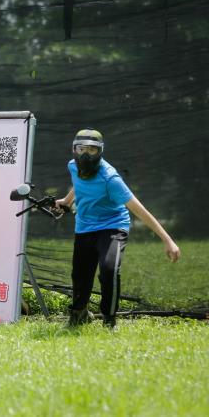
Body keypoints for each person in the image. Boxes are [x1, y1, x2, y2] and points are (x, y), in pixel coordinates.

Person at [54, 128, 180, 328]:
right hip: (85, 226)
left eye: (92, 150)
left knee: (109, 269)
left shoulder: (110, 179)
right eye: (81, 149)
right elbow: (79, 184)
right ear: (74, 150)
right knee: (80, 274)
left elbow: (140, 211)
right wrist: (67, 201)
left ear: (100, 151)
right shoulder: (72, 166)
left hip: (113, 225)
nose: (86, 154)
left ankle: (109, 320)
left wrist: (168, 240)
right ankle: (79, 314)